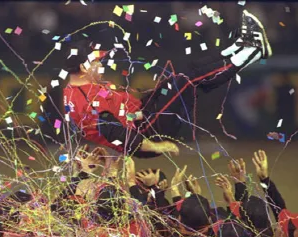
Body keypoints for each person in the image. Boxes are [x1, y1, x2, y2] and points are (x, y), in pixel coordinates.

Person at [63, 10, 272, 158]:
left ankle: (237, 50)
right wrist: (157, 146)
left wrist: (140, 110)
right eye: (97, 61)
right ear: (83, 67)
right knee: (185, 82)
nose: (101, 66)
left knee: (184, 73)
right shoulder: (86, 101)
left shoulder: (76, 91)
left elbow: (113, 120)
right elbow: (117, 135)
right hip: (146, 133)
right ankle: (252, 52)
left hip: (143, 116)